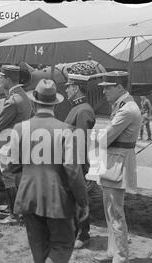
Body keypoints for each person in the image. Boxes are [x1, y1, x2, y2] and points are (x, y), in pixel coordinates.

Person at [7, 79, 89, 263]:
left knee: (38, 246)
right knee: (63, 243)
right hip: (56, 196)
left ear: (34, 104)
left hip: (27, 194)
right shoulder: (67, 130)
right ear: (55, 104)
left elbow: (12, 165)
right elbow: (73, 170)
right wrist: (83, 201)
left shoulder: (18, 128)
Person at [94, 71, 142, 263]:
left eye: (107, 87)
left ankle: (121, 259)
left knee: (116, 215)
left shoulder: (127, 110)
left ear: (119, 87)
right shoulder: (122, 106)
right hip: (113, 164)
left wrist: (98, 136)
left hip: (117, 166)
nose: (104, 91)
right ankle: (112, 251)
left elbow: (103, 139)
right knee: (109, 213)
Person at [0, 65, 32, 225]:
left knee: (8, 177)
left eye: (2, 78)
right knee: (17, 177)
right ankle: (20, 212)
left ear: (8, 79)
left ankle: (14, 215)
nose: (0, 80)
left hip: (9, 142)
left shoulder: (12, 100)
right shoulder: (23, 96)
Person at [64, 73, 96, 249]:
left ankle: (83, 235)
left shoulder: (83, 110)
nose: (66, 90)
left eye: (68, 86)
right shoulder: (77, 108)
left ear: (76, 88)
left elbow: (81, 140)